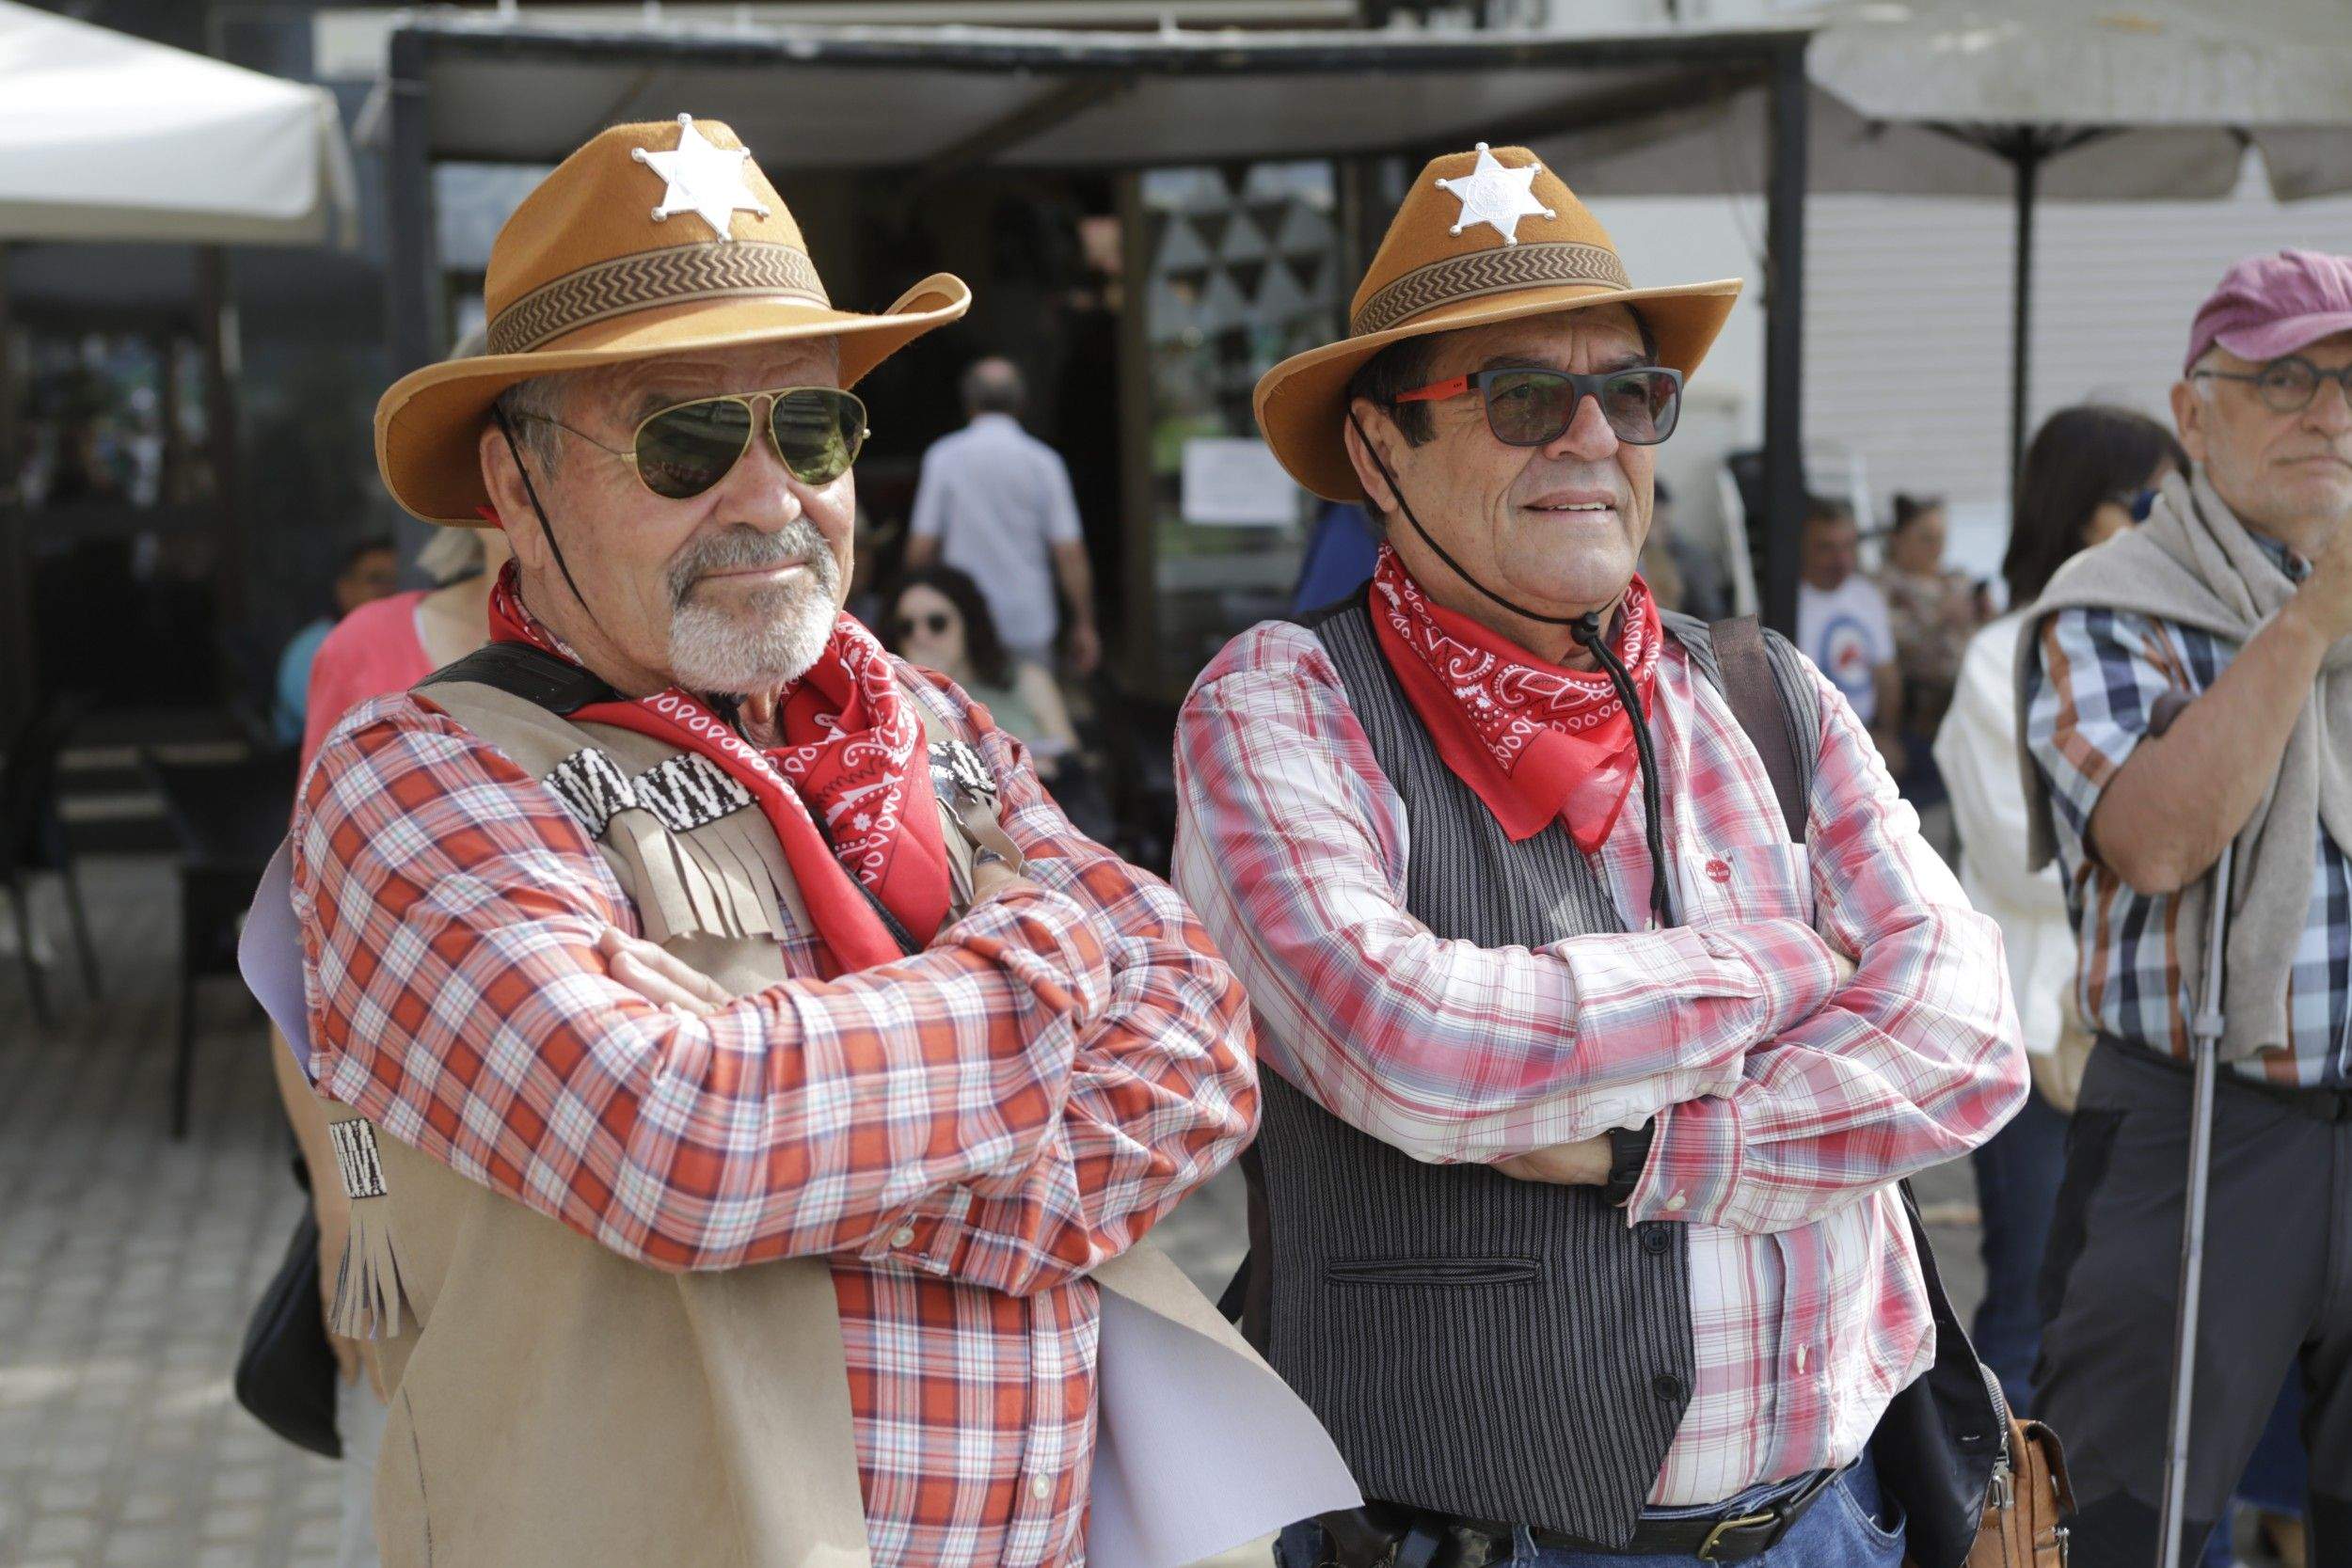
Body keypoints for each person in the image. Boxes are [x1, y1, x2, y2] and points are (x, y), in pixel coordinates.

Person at [281, 117, 1318, 1567]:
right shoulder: (415, 779)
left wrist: (823, 1139)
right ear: (514, 488)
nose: (767, 494)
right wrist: (1042, 963)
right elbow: (683, 1140)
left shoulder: (927, 713)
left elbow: (1204, 1044)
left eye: (811, 426)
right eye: (686, 435)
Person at [1175, 141, 2025, 1567]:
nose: (1590, 438)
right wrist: (1778, 966)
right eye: (1521, 398)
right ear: (1381, 447)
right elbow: (1408, 1039)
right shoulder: (1283, 700)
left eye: (1629, 395)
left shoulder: (1765, 688)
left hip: (1833, 1523)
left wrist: (1662, 1145)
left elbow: (1966, 1037)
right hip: (1482, 1536)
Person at [2020, 246, 2352, 1565]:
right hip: (2202, 1114)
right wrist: (2310, 618)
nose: (2329, 410)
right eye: (2287, 378)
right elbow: (2157, 840)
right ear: (2195, 407)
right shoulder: (2111, 603)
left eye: (2351, 383)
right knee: (2122, 1519)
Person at [265, 489, 514, 1568]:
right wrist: (352, 1197)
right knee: (406, 1519)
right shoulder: (376, 649)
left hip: (610, 1221)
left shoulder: (666, 647)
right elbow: (316, 980)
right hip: (413, 1199)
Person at [1931, 404, 2188, 1420]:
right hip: (2043, 1041)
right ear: (2086, 514)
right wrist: (2169, 830)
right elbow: (2021, 850)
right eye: (2151, 501)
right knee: (2035, 1313)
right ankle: (2017, 1527)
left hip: (2166, 1036)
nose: (2173, 522)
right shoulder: (2003, 657)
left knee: (2176, 1325)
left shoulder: (2182, 641)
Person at [906, 356, 1102, 674]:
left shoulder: (943, 457)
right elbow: (1069, 552)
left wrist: (909, 603)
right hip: (1029, 618)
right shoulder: (1044, 462)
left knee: (963, 719)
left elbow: (922, 546)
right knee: (1033, 711)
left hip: (962, 618)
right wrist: (1084, 623)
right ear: (1022, 403)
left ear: (968, 402)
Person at [882, 562, 1080, 776]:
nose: (921, 637)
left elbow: (1070, 756)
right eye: (906, 628)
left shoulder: (1027, 679)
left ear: (968, 622)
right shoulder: (896, 701)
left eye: (937, 623)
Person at [1793, 496, 1903, 767]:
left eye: (1848, 547)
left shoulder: (1866, 595)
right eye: (1826, 548)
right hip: (1817, 748)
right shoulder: (1788, 606)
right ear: (1803, 548)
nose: (1841, 559)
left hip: (1870, 735)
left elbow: (1887, 676)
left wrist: (1885, 735)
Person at [1874, 493, 1980, 757]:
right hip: (1922, 715)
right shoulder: (1882, 588)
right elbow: (1888, 643)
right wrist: (1939, 619)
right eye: (1926, 539)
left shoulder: (1956, 580)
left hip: (1972, 705)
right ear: (1897, 539)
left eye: (1941, 538)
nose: (1936, 548)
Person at [273, 536, 398, 745]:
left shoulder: (400, 641)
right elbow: (344, 730)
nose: (389, 590)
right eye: (376, 580)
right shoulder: (316, 646)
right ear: (345, 589)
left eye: (396, 581)